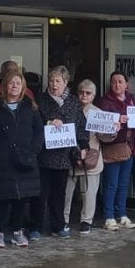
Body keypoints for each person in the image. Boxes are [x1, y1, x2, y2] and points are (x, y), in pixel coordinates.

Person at [0, 69, 42, 248]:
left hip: (25, 160)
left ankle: (17, 232)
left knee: (21, 200)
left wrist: (34, 150)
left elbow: (39, 131)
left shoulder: (30, 106)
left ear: (23, 86)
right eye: (11, 83)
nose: (14, 86)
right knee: (2, 199)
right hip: (2, 162)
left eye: (18, 83)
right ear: (5, 86)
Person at [37, 65, 83, 238]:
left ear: (65, 82)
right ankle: (36, 225)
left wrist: (82, 148)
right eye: (51, 80)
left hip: (63, 155)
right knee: (41, 193)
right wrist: (48, 123)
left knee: (59, 193)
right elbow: (34, 124)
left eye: (58, 81)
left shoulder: (73, 102)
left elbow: (80, 127)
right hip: (44, 154)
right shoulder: (40, 100)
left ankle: (57, 225)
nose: (54, 84)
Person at [97, 71, 135, 231]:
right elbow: (101, 123)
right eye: (114, 82)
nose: (117, 85)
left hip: (129, 146)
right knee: (111, 184)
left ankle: (122, 214)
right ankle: (108, 216)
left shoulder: (132, 99)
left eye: (120, 82)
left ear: (126, 84)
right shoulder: (105, 101)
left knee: (123, 184)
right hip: (113, 146)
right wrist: (117, 119)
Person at [65, 79, 104, 233]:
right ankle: (64, 219)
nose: (84, 95)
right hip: (70, 156)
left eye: (88, 93)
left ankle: (86, 221)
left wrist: (113, 129)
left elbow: (106, 137)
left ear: (93, 95)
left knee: (89, 192)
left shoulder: (98, 113)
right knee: (66, 192)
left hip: (91, 157)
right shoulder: (70, 109)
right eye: (81, 92)